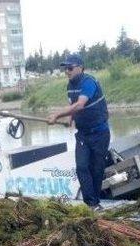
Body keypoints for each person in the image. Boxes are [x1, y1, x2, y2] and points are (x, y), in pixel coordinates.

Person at [47, 53, 110, 210]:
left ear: (80, 68)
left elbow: (80, 104)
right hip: (82, 134)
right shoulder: (70, 86)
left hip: (100, 133)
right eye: (65, 69)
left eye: (70, 68)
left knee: (96, 169)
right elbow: (73, 107)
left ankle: (95, 202)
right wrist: (70, 119)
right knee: (81, 167)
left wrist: (56, 114)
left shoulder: (89, 82)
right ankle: (91, 204)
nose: (67, 71)